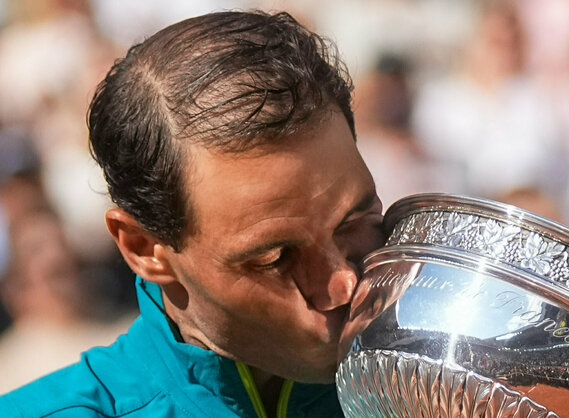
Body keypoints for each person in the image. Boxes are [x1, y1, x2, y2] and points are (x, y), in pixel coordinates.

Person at [0, 11, 384, 418]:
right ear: (143, 248)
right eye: (275, 257)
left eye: (354, 222)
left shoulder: (446, 389)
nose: (343, 283)